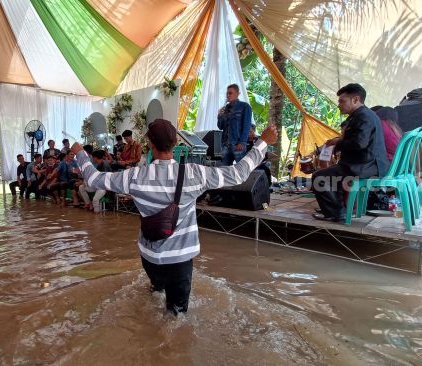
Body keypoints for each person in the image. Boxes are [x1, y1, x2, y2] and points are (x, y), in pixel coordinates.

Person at [71, 118, 277, 315]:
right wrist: (263, 142)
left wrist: (80, 153)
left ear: (150, 145)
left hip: (150, 258)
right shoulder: (194, 174)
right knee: (176, 316)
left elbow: (93, 178)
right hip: (179, 260)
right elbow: (239, 173)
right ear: (176, 143)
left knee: (155, 293)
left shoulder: (133, 176)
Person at [312, 83, 389, 222]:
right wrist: (338, 142)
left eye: (342, 101)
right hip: (366, 163)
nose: (339, 105)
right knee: (331, 173)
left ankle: (335, 213)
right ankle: (336, 208)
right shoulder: (362, 115)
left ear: (355, 100)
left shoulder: (364, 117)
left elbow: (359, 143)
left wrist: (338, 144)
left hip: (367, 166)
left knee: (319, 176)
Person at [217, 84, 253, 166]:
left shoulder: (245, 107)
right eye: (227, 93)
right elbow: (220, 127)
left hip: (237, 144)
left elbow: (246, 126)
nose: (228, 95)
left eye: (230, 93)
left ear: (237, 94)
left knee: (242, 170)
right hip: (225, 145)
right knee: (222, 170)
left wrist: (242, 142)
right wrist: (219, 116)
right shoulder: (225, 108)